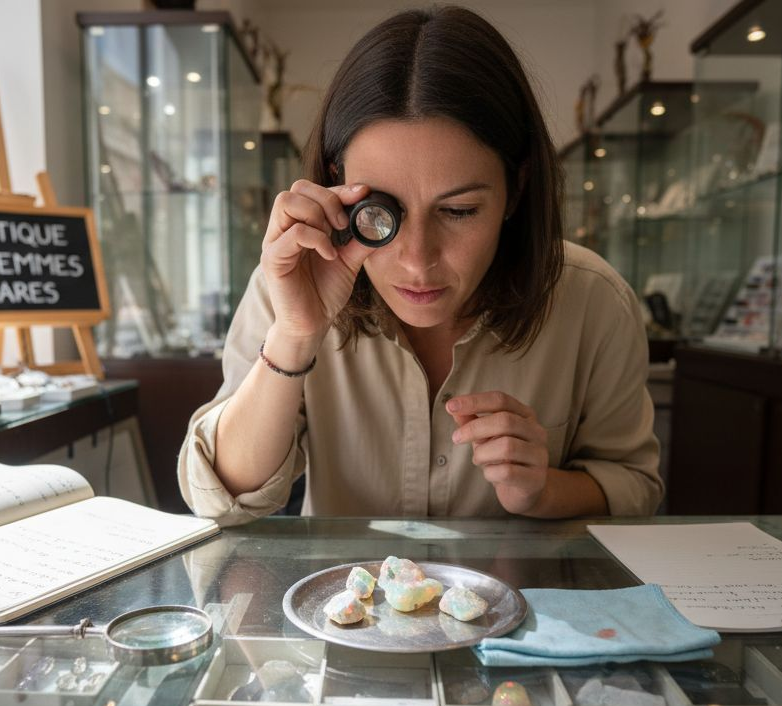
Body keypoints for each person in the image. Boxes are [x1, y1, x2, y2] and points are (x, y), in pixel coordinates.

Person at [179, 6, 661, 525]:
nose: (417, 259)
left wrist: (541, 491)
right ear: (339, 183)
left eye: (459, 211)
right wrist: (295, 335)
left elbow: (633, 485)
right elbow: (219, 498)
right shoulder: (293, 281)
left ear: (516, 190)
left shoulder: (592, 300)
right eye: (381, 214)